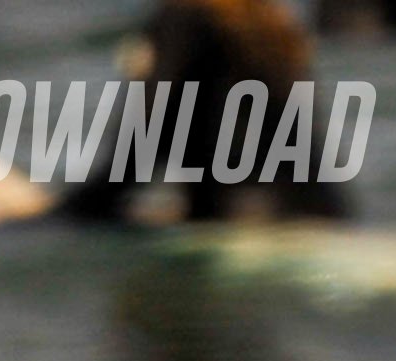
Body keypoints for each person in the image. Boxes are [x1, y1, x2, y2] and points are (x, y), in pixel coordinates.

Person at [64, 0, 352, 225]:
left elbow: (138, 150)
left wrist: (62, 214)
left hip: (235, 227)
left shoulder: (184, 19)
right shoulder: (273, 22)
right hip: (318, 217)